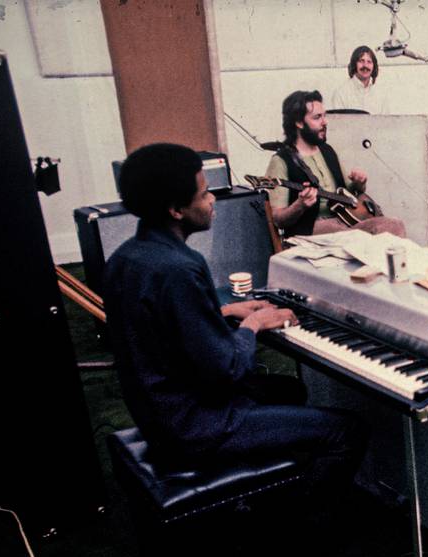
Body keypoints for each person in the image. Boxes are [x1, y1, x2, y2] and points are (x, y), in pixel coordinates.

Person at [103, 143, 365, 504]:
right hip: (195, 428)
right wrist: (253, 323)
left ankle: (269, 493)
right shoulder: (180, 268)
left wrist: (225, 312)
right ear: (176, 210)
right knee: (348, 431)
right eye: (203, 193)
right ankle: (304, 526)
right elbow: (229, 369)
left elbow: (159, 328)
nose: (212, 199)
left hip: (158, 414)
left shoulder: (125, 258)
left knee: (288, 390)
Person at [265, 90, 405, 238]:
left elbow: (350, 192)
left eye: (324, 116)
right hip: (311, 229)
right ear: (299, 123)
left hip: (344, 223)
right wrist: (300, 205)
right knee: (365, 238)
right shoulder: (281, 161)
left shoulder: (327, 151)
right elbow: (278, 218)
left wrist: (359, 183)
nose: (325, 122)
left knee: (394, 225)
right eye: (317, 117)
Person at [330, 45, 388, 114]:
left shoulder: (381, 94)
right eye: (361, 61)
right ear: (354, 64)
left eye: (369, 62)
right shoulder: (341, 93)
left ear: (374, 66)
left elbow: (386, 120)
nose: (365, 65)